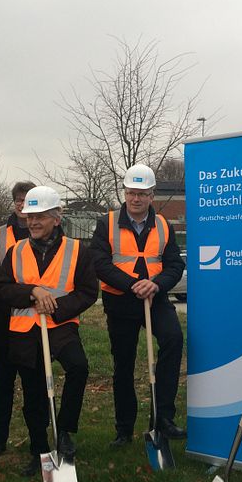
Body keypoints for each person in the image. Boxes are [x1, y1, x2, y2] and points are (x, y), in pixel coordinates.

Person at [0, 186, 97, 476]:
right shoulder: (16, 251)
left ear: (57, 217)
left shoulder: (78, 251)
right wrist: (32, 293)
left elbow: (89, 291)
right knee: (34, 392)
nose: (33, 222)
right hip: (25, 330)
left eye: (40, 216)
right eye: (30, 217)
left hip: (61, 326)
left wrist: (55, 307)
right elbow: (1, 289)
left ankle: (63, 431)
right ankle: (39, 450)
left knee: (78, 368)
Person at [89, 164, 186, 446]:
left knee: (173, 340)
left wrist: (155, 284)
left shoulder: (164, 226)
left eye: (142, 194)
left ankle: (163, 418)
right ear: (125, 192)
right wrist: (133, 283)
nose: (136, 199)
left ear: (152, 195)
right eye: (132, 193)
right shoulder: (106, 223)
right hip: (121, 300)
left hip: (154, 299)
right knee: (124, 363)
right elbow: (100, 263)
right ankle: (124, 429)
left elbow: (175, 264)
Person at [0, 180, 35, 460]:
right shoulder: (0, 235)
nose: (23, 205)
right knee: (2, 382)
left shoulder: (51, 231)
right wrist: (13, 296)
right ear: (13, 203)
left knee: (33, 382)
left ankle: (38, 438)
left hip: (35, 318)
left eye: (28, 200)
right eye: (19, 200)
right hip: (4, 318)